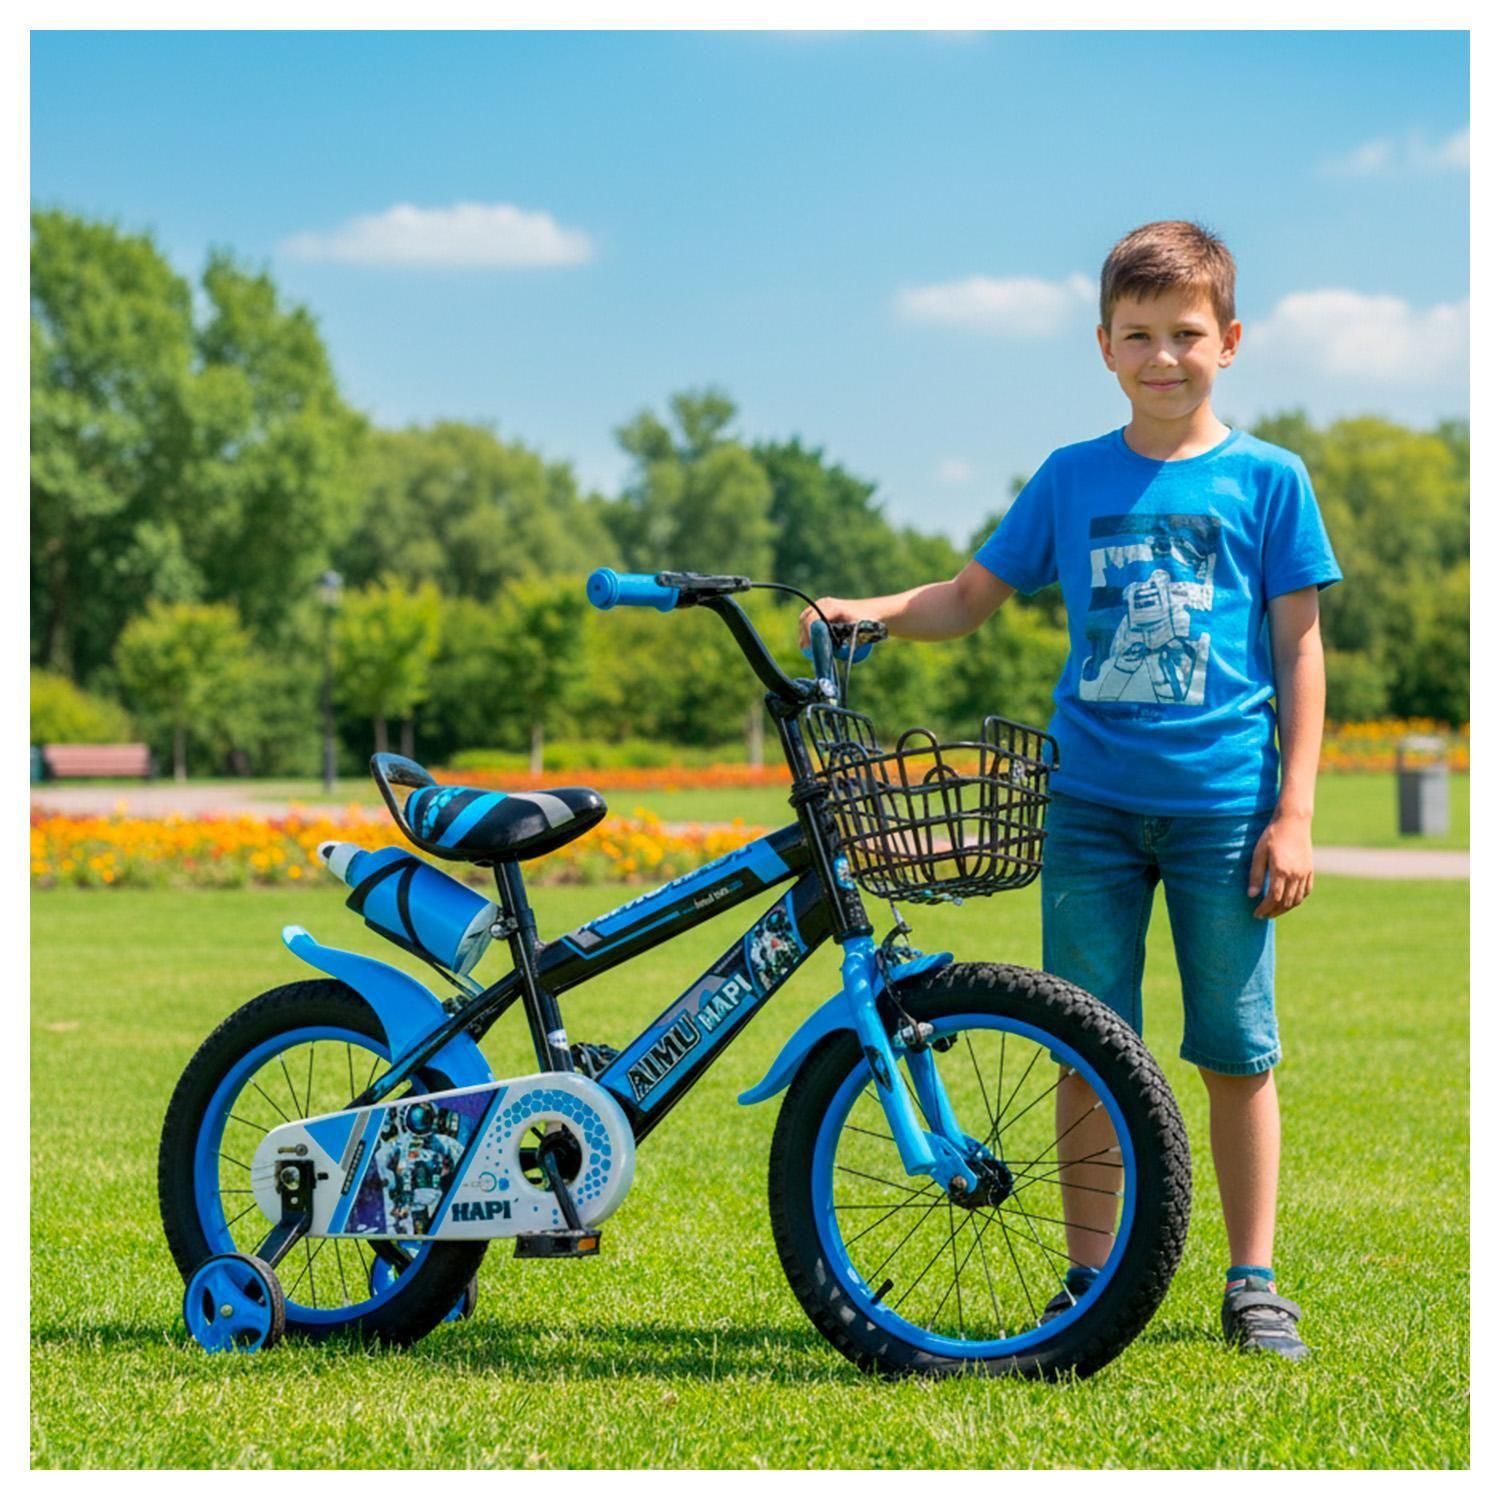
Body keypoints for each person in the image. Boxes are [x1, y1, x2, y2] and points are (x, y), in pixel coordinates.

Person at [799, 220, 1339, 1360]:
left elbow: (1299, 653)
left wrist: (1293, 813)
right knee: (1086, 1044)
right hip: (1087, 810)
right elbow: (964, 596)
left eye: (1185, 334)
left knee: (1237, 1051)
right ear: (1102, 345)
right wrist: (872, 611)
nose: (1162, 357)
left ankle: (1254, 1282)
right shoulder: (1069, 476)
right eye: (1137, 335)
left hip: (1225, 815)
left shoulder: (1271, 481)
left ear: (1230, 341)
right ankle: (1086, 1277)